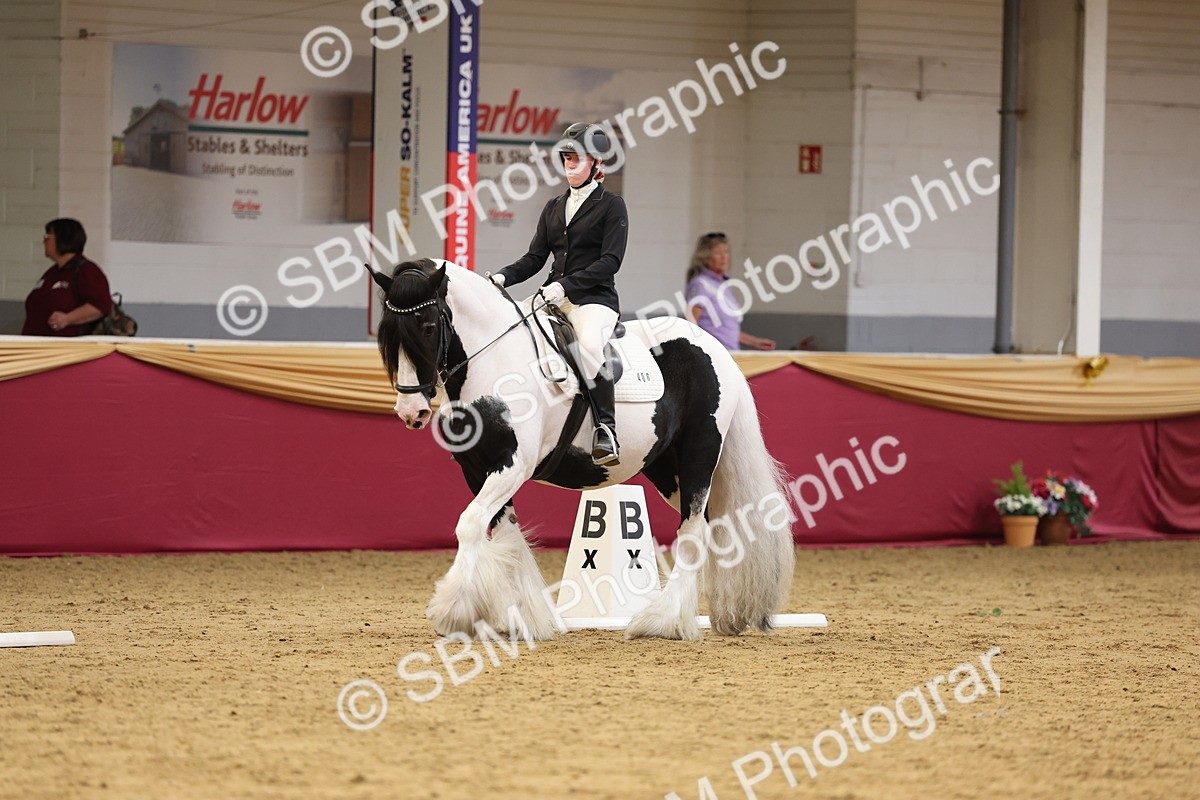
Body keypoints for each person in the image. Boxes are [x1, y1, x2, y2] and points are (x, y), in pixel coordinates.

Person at [489, 122, 627, 466]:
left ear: (596, 163)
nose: (569, 162)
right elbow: (535, 258)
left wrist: (565, 286)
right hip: (552, 296)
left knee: (591, 347)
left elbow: (611, 261)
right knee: (511, 336)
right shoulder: (553, 207)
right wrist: (501, 278)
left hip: (594, 300)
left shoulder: (612, 206)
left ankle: (605, 430)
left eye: (576, 157)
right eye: (566, 157)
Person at [684, 232, 776, 351]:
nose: (724, 257)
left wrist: (754, 342)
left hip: (731, 354)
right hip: (712, 356)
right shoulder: (700, 284)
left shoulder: (723, 286)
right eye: (717, 253)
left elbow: (726, 330)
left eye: (726, 252)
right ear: (705, 257)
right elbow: (690, 324)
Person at [23, 218, 112, 337]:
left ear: (63, 238)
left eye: (47, 237)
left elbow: (102, 305)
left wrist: (68, 319)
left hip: (67, 350)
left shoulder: (86, 270)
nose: (43, 241)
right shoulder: (52, 272)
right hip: (39, 347)